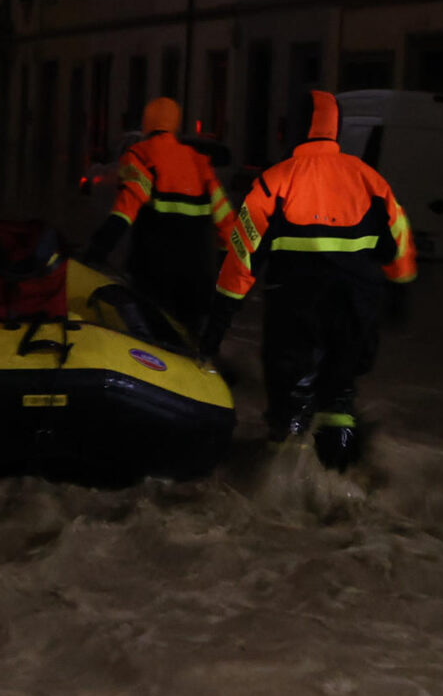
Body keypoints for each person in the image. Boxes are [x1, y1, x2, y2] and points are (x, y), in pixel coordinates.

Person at [197, 90, 416, 470]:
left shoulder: (273, 183)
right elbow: (400, 242)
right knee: (341, 394)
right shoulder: (370, 180)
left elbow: (241, 262)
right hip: (356, 308)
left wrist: (216, 328)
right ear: (337, 130)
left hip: (295, 309)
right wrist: (401, 294)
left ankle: (284, 487)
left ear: (294, 130)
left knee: (291, 398)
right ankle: (340, 477)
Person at [83, 96, 233, 334]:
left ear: (146, 124)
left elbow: (125, 212)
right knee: (189, 348)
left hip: (153, 279)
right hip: (197, 282)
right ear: (176, 126)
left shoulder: (141, 155)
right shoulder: (200, 163)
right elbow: (228, 227)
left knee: (152, 350)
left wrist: (95, 251)